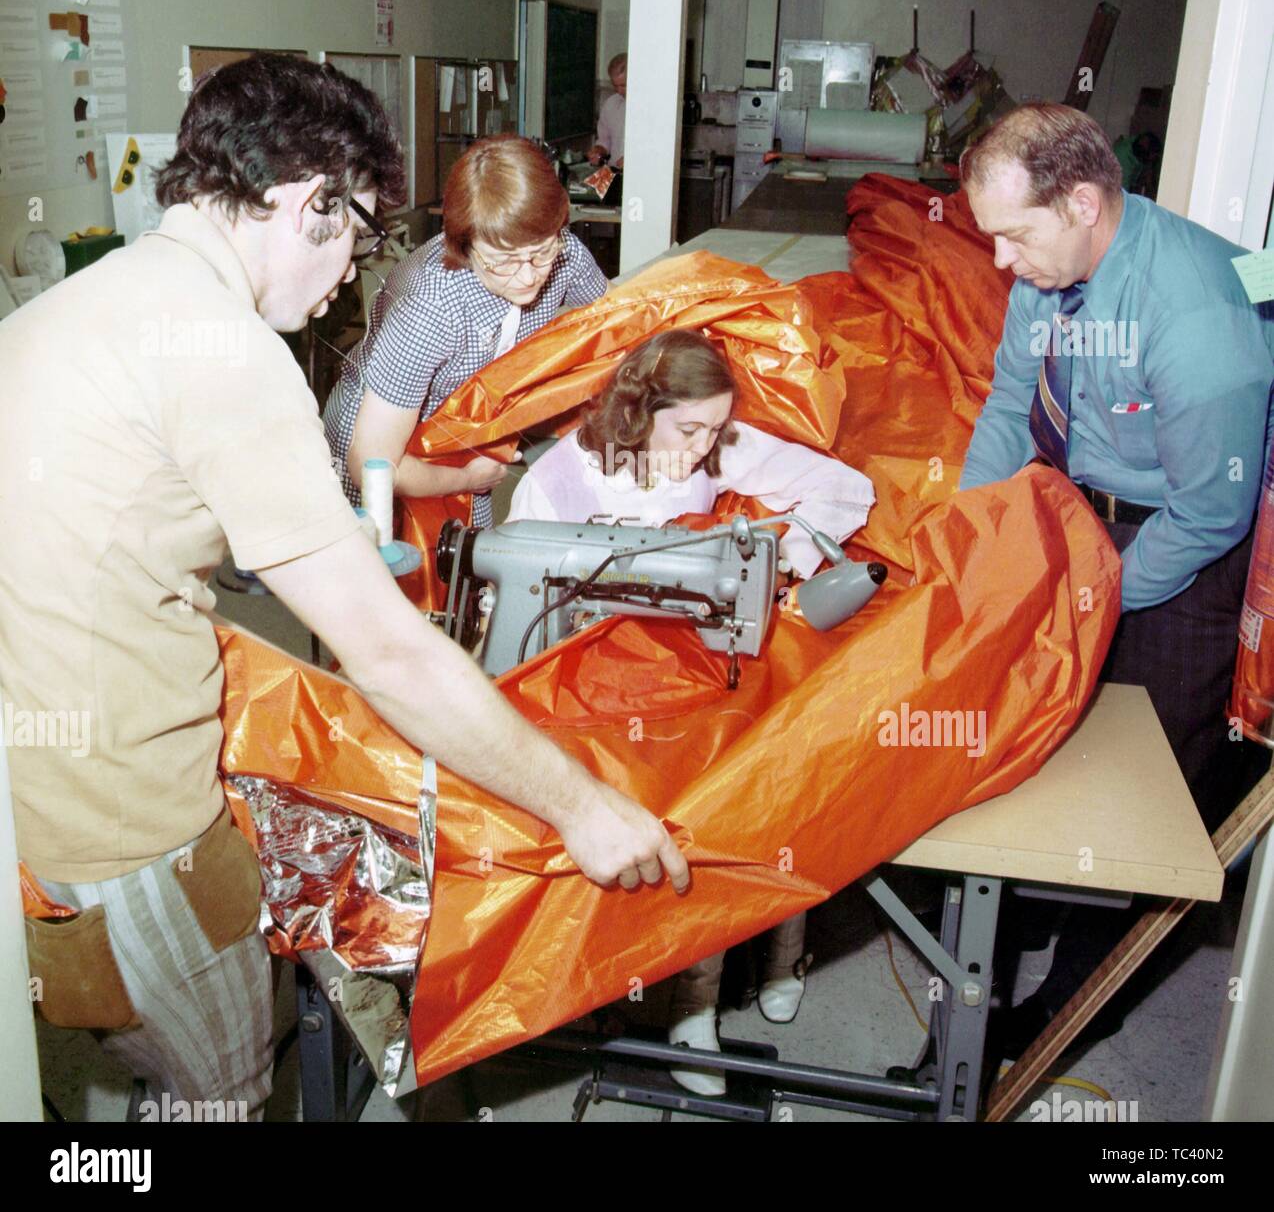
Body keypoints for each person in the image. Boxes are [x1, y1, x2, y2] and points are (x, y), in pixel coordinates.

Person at [0, 54, 687, 1120]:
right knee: (217, 1093)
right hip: (124, 833)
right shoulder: (227, 353)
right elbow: (389, 649)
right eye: (357, 235)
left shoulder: (71, 307)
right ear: (306, 199)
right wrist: (581, 805)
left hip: (27, 802)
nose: (349, 278)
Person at [957, 101, 1273, 1052]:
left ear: (1084, 202)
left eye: (1014, 235)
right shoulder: (1047, 275)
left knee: (1142, 791)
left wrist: (1092, 597)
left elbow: (1209, 512)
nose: (1001, 262)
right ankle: (1006, 956)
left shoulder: (1195, 311)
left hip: (1180, 556)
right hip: (1083, 513)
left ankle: (1069, 1012)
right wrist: (969, 533)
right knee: (1043, 749)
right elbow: (1013, 400)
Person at [509, 329, 875, 1095]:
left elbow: (848, 491)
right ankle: (674, 991)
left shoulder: (714, 442)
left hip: (699, 668)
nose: (707, 446)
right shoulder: (558, 484)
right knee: (671, 803)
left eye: (717, 430)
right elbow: (524, 602)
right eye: (690, 430)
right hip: (601, 686)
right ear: (637, 410)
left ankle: (759, 963)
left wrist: (782, 563)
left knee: (760, 778)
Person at [323, 134, 607, 526]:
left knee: (463, 557)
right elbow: (375, 467)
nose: (528, 276)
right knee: (383, 560)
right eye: (503, 261)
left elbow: (614, 323)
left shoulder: (563, 253)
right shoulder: (432, 303)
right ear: (465, 246)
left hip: (464, 429)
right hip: (375, 435)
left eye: (540, 253)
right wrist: (464, 478)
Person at [587, 52, 626, 169]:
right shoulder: (611, 104)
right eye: (615, 85)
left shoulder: (649, 107)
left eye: (623, 85)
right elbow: (604, 140)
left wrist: (637, 159)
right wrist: (599, 150)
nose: (619, 91)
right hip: (613, 172)